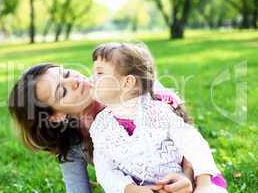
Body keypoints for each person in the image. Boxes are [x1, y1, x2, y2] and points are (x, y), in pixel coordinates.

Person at [8, 62, 194, 193]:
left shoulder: (125, 84)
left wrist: (186, 177)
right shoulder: (72, 144)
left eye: (66, 73)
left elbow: (189, 140)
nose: (74, 81)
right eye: (62, 91)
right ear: (57, 116)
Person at [89, 42, 228, 193]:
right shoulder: (101, 126)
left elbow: (194, 144)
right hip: (142, 189)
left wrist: (203, 184)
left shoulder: (158, 112)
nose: (92, 78)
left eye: (100, 73)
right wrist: (132, 189)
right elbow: (105, 170)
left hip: (183, 181)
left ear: (128, 82)